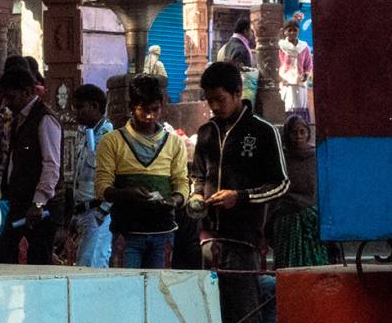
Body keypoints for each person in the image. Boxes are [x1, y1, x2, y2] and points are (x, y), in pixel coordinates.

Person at [190, 62, 289, 323]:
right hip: (209, 239)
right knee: (211, 310)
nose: (214, 107)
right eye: (210, 100)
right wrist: (196, 196)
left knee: (245, 311)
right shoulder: (206, 132)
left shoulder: (263, 131)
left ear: (237, 93)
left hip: (244, 239)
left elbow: (281, 184)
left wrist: (240, 197)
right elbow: (198, 176)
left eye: (220, 99)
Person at [95, 75, 189, 269]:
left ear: (162, 106)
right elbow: (102, 188)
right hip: (126, 234)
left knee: (159, 290)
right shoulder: (112, 141)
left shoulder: (174, 143)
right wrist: (127, 194)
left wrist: (176, 199)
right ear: (132, 108)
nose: (150, 116)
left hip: (163, 232)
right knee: (127, 291)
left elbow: (182, 182)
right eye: (143, 110)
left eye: (155, 110)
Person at [0, 69, 63, 265]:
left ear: (26, 92)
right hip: (20, 204)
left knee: (38, 261)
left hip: (39, 208)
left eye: (11, 97)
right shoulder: (20, 119)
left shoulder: (44, 119)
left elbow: (51, 164)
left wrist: (39, 202)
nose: (7, 103)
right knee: (4, 256)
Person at [269, 115, 329, 269]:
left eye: (302, 132)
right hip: (287, 221)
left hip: (311, 221)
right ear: (286, 134)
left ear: (308, 133)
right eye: (294, 132)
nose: (298, 136)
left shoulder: (316, 156)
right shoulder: (279, 158)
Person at [71, 84, 114, 267]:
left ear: (95, 106)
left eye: (80, 107)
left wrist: (102, 212)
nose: (76, 113)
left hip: (98, 213)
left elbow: (114, 178)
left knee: (92, 265)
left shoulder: (108, 138)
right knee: (83, 263)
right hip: (84, 211)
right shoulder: (85, 135)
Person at [278, 20, 313, 119]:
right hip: (286, 83)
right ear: (285, 32)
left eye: (295, 30)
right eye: (289, 30)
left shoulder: (304, 47)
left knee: (300, 107)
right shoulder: (280, 47)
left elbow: (308, 64)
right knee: (288, 106)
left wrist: (306, 75)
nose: (292, 32)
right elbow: (277, 64)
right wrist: (280, 78)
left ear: (298, 31)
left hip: (300, 83)